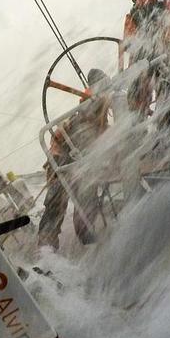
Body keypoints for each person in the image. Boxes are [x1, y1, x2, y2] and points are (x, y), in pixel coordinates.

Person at [38, 68, 111, 251]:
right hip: (62, 157)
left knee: (87, 193)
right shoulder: (89, 104)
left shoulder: (102, 102)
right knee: (57, 201)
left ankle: (85, 237)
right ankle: (46, 251)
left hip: (82, 159)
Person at [119, 0, 170, 115]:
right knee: (136, 97)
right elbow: (128, 43)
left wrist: (162, 44)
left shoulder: (167, 4)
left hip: (165, 56)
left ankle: (168, 119)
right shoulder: (132, 17)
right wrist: (140, 50)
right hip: (141, 61)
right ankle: (137, 123)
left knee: (167, 92)